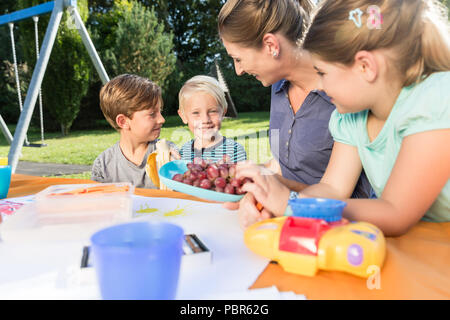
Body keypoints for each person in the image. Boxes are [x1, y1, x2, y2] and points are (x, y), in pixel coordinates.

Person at [236, 0, 450, 236]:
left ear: (365, 67)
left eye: (323, 72)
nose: (320, 84)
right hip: (416, 243)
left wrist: (292, 205)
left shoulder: (434, 100)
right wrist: (270, 201)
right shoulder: (351, 118)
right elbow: (332, 189)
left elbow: (395, 211)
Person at [218, 0, 372, 217]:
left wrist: (280, 195)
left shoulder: (345, 93)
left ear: (271, 45)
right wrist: (251, 178)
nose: (238, 71)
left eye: (238, 59)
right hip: (287, 218)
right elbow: (284, 164)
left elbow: (344, 196)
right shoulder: (277, 85)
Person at [91, 74, 178, 188]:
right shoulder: (103, 166)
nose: (162, 119)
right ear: (123, 122)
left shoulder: (168, 154)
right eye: (152, 114)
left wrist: (178, 170)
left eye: (160, 111)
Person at [178, 75, 247, 163]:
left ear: (223, 113)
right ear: (183, 116)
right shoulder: (183, 152)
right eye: (196, 113)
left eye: (212, 111)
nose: (205, 120)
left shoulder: (235, 151)